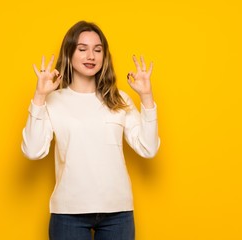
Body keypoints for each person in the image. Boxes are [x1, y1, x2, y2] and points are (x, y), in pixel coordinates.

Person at [21, 20, 160, 240]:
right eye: (82, 49)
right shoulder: (54, 101)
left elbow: (148, 148)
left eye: (97, 50)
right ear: (69, 53)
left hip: (118, 212)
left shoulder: (119, 99)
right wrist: (39, 97)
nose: (91, 56)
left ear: (104, 56)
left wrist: (146, 97)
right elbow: (33, 150)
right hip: (69, 214)